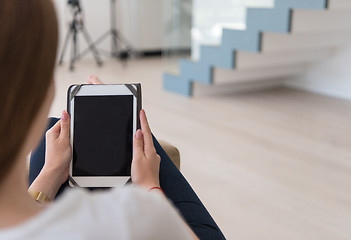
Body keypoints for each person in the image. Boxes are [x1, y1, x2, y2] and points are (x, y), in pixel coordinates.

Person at [0, 0, 225, 239]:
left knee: (55, 128)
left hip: (46, 188)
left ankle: (119, 110)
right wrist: (150, 188)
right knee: (119, 122)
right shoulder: (137, 217)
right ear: (45, 91)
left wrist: (49, 174)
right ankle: (122, 112)